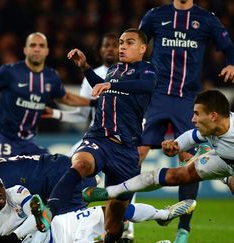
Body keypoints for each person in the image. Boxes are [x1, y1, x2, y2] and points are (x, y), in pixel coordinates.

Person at [32, 28, 157, 243]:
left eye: (129, 43)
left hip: (126, 149)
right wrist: (85, 67)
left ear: (143, 48)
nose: (122, 47)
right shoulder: (114, 70)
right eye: (121, 42)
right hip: (99, 137)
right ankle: (49, 211)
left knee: (114, 223)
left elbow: (147, 86)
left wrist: (111, 84)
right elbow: (101, 87)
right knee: (80, 164)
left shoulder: (147, 70)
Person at [82, 89, 234, 204]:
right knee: (178, 176)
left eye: (197, 114)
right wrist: (175, 145)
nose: (193, 118)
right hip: (227, 161)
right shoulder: (210, 129)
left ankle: (223, 176)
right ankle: (109, 192)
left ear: (213, 116)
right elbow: (191, 135)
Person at [138, 1, 234, 241]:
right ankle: (120, 222)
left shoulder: (205, 19)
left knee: (189, 162)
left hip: (187, 100)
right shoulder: (155, 16)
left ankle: (183, 229)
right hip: (156, 95)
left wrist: (232, 64)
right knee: (136, 154)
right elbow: (138, 46)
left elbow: (230, 49)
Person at [0, 32, 92, 158]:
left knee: (53, 167)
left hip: (28, 143)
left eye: (41, 46)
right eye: (33, 45)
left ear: (47, 51)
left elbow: (65, 97)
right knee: (1, 173)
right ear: (25, 50)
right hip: (2, 138)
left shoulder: (51, 77)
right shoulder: (9, 71)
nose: (37, 49)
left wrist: (95, 102)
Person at [0, 173, 196, 243]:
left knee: (110, 210)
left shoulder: (15, 192)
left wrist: (14, 236)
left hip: (59, 226)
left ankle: (163, 215)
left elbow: (39, 216)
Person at [43, 32, 119, 155]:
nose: (110, 48)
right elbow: (81, 116)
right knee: (69, 161)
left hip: (124, 138)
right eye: (106, 45)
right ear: (99, 50)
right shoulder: (91, 76)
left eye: (115, 45)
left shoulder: (131, 74)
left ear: (122, 49)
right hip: (98, 137)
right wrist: (54, 113)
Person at [0, 173, 50, 243]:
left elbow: (38, 217)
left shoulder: (16, 193)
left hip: (48, 239)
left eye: (1, 186)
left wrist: (14, 236)